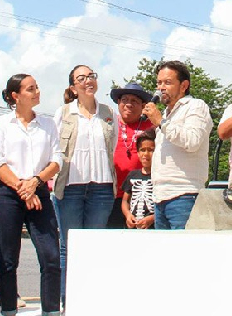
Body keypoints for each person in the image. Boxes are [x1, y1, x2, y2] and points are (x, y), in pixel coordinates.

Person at [0, 74, 62, 316]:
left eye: (37, 87)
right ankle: (8, 309)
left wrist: (35, 182)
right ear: (15, 96)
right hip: (9, 193)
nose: (37, 91)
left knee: (50, 255)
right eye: (31, 89)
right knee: (8, 260)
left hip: (39, 191)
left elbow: (56, 160)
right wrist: (23, 187)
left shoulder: (48, 124)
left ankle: (50, 311)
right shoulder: (1, 124)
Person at [52, 65, 116, 302]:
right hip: (70, 187)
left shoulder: (109, 112)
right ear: (73, 87)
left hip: (102, 188)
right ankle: (67, 301)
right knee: (69, 246)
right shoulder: (63, 113)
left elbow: (113, 145)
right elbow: (56, 149)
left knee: (94, 246)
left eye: (91, 76)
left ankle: (90, 300)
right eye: (82, 78)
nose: (88, 80)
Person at [143, 60, 213, 230]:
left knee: (184, 253)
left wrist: (161, 122)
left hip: (184, 195)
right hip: (159, 197)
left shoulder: (195, 106)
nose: (161, 88)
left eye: (167, 82)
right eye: (159, 83)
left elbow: (192, 141)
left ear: (184, 85)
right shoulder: (166, 114)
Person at [107, 82, 154, 228]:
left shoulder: (152, 127)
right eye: (125, 100)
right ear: (118, 103)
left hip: (143, 196)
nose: (129, 104)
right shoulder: (109, 125)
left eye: (134, 101)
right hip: (111, 195)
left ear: (143, 105)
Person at [121, 129, 156, 230]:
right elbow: (125, 200)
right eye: (142, 150)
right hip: (133, 226)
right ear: (138, 152)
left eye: (150, 150)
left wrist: (153, 218)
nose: (146, 154)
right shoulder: (132, 175)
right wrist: (128, 215)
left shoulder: (159, 177)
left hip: (152, 227)